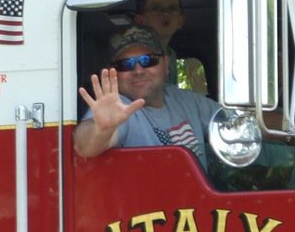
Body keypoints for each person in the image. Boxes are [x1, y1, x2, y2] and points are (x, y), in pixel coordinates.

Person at [73, 25, 220, 165]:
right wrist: (101, 130)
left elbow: (233, 122)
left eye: (148, 60)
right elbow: (84, 146)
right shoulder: (120, 110)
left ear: (166, 64)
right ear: (113, 73)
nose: (138, 70)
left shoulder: (188, 101)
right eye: (126, 64)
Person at [133, 0, 207, 92]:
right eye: (156, 9)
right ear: (140, 20)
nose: (165, 14)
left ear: (181, 21)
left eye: (172, 9)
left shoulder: (171, 54)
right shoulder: (132, 56)